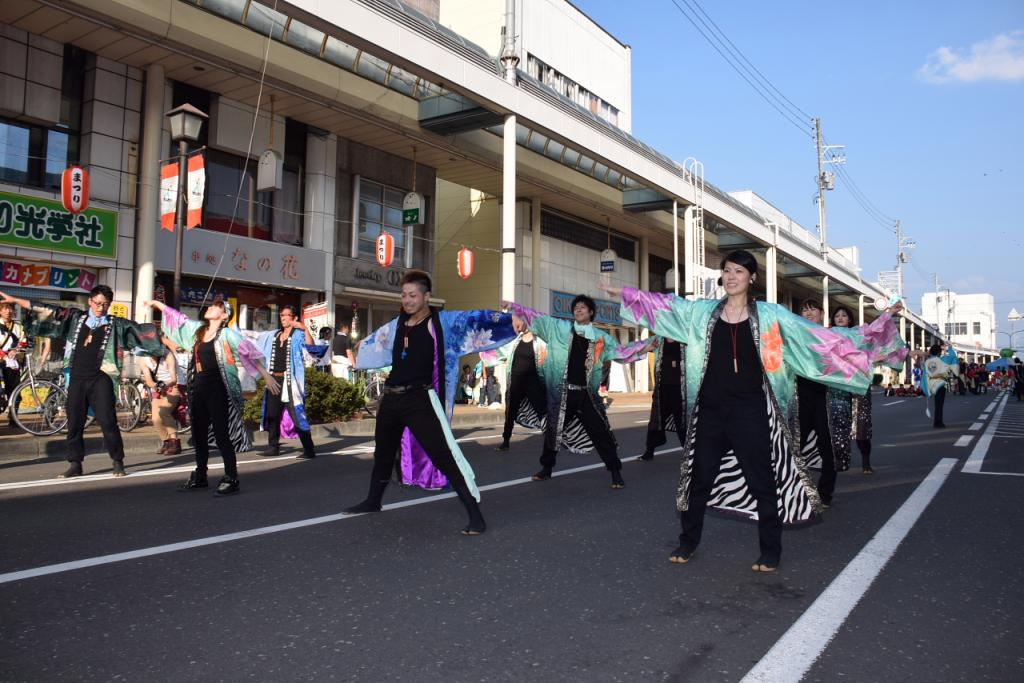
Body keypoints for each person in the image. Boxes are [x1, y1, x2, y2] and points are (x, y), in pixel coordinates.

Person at [601, 250, 907, 572]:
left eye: (738, 271)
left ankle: (770, 549)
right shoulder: (703, 314)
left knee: (763, 480)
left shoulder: (773, 316)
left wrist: (882, 324)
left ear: (752, 278)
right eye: (727, 271)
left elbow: (824, 338)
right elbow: (668, 307)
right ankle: (688, 540)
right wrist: (624, 293)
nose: (731, 277)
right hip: (710, 410)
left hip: (753, 410)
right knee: (698, 478)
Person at [342, 270, 515, 534]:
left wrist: (510, 320)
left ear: (426, 296)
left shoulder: (441, 323)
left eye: (413, 295)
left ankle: (475, 515)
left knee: (443, 455)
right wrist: (360, 350)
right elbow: (377, 341)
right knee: (383, 454)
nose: (407, 300)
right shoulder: (399, 322)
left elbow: (473, 320)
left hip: (419, 399)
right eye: (404, 295)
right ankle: (373, 501)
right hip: (391, 399)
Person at [2, 286, 165, 478]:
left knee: (108, 420)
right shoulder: (75, 318)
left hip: (101, 377)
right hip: (77, 376)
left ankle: (117, 461)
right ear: (90, 301)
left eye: (105, 304)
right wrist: (15, 300)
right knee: (75, 422)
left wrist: (167, 330)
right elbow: (46, 309)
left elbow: (143, 333)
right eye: (97, 303)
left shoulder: (116, 324)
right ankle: (75, 463)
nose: (100, 307)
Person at [502, 294, 650, 490]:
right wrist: (515, 306)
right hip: (562, 394)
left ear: (590, 312)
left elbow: (621, 352)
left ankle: (615, 472)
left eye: (583, 307)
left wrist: (647, 345)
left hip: (586, 395)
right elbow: (537, 317)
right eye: (576, 307)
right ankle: (546, 469)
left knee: (600, 432)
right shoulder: (559, 329)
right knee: (553, 431)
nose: (578, 310)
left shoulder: (600, 338)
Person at [146, 298, 280, 495]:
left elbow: (248, 352)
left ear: (224, 315)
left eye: (215, 306)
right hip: (198, 388)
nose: (209, 307)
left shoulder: (227, 334)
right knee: (198, 435)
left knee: (221, 434)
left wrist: (266, 376)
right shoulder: (199, 331)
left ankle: (231, 477)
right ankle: (200, 476)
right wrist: (159, 305)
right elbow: (180, 319)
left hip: (219, 389)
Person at [255, 305, 327, 459]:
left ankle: (309, 449)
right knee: (272, 414)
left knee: (297, 414)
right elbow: (256, 341)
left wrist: (305, 329)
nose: (283, 318)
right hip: (274, 379)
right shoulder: (275, 335)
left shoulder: (298, 334)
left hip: (290, 381)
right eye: (281, 315)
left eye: (286, 315)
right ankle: (273, 446)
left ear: (294, 318)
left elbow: (312, 348)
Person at [797, 300, 846, 508]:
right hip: (800, 396)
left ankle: (825, 494)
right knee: (792, 447)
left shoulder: (832, 335)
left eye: (812, 309)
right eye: (804, 309)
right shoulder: (795, 334)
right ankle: (792, 490)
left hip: (826, 398)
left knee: (827, 448)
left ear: (822, 313)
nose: (808, 313)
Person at [484, 317, 548, 451]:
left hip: (533, 382)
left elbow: (548, 358)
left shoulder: (540, 341)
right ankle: (505, 442)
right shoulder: (514, 341)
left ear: (526, 321)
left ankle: (551, 442)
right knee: (510, 413)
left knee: (542, 411)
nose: (516, 325)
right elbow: (498, 348)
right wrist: (483, 345)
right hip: (516, 382)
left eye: (518, 322)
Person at [830, 306, 874, 475]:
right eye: (837, 315)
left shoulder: (859, 335)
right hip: (837, 386)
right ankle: (840, 461)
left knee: (862, 426)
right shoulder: (827, 335)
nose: (840, 318)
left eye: (844, 315)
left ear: (850, 319)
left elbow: (877, 336)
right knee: (838, 426)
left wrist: (890, 312)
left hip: (859, 384)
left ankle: (866, 460)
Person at [640, 336, 686, 461]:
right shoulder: (658, 340)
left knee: (683, 423)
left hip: (681, 391)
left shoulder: (684, 339)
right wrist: (648, 348)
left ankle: (688, 453)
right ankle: (649, 451)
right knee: (655, 421)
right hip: (662, 390)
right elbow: (638, 348)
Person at [140, 337, 182, 455]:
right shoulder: (143, 359)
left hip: (174, 386)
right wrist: (156, 385)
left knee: (164, 412)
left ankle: (175, 442)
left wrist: (164, 385)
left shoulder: (168, 355)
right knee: (155, 418)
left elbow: (174, 379)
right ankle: (167, 441)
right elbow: (148, 380)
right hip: (158, 388)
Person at [911, 344, 958, 428]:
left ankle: (937, 421)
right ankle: (938, 422)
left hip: (932, 385)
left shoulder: (927, 362)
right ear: (939, 352)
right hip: (941, 384)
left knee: (937, 403)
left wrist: (926, 387)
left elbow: (925, 375)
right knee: (939, 404)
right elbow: (953, 356)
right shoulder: (944, 359)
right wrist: (949, 348)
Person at [0, 301, 25, 426]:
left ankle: (13, 417)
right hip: (1, 359)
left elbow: (24, 341)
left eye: (10, 308)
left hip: (12, 362)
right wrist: (2, 354)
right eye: (4, 308)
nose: (8, 311)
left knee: (14, 389)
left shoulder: (19, 326)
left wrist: (16, 350)